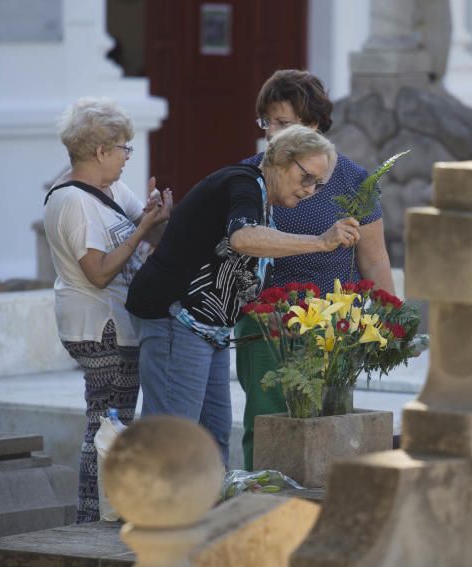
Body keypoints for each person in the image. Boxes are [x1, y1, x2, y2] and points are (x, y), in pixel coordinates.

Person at [126, 125, 359, 465]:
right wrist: (320, 243)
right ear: (280, 159)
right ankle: (155, 516)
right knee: (173, 440)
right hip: (176, 318)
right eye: (306, 177)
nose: (310, 190)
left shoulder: (262, 195)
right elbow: (242, 238)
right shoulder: (245, 183)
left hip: (209, 327)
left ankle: (207, 515)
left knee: (213, 436)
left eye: (318, 185)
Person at [236, 69, 395, 470]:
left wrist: (391, 322)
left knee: (329, 421)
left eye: (283, 123)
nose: (271, 132)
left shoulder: (353, 180)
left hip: (335, 326)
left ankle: (323, 508)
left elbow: (374, 257)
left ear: (314, 126)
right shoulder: (249, 176)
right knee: (266, 419)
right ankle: (263, 500)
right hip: (267, 325)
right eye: (267, 122)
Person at [43, 97, 172, 523]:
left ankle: (109, 508)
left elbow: (147, 222)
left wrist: (157, 212)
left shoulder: (113, 189)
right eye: (122, 149)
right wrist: (141, 231)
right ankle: (94, 513)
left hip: (118, 321)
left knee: (117, 421)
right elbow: (97, 272)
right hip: (98, 324)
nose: (126, 158)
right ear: (100, 151)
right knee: (105, 423)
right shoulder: (72, 201)